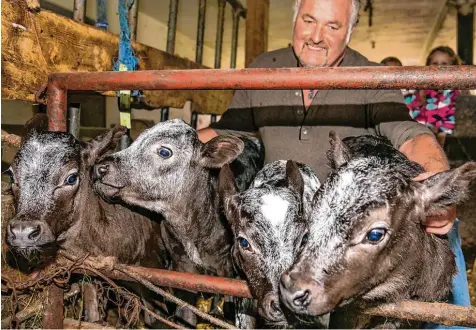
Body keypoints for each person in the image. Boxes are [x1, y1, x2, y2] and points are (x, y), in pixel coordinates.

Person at [198, 0, 471, 321]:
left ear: (351, 30)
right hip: (280, 227)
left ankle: (454, 319)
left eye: (332, 26)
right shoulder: (264, 68)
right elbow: (223, 130)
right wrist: (160, 150)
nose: (315, 36)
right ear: (295, 18)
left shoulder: (371, 77)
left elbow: (412, 136)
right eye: (309, 20)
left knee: (444, 241)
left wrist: (435, 181)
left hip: (342, 231)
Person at [404, 46, 461, 148]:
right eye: (435, 63)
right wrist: (421, 98)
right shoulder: (422, 89)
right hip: (422, 134)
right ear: (427, 67)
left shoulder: (453, 92)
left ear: (453, 68)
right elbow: (413, 112)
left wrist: (442, 131)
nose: (439, 67)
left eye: (444, 64)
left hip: (445, 136)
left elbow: (452, 114)